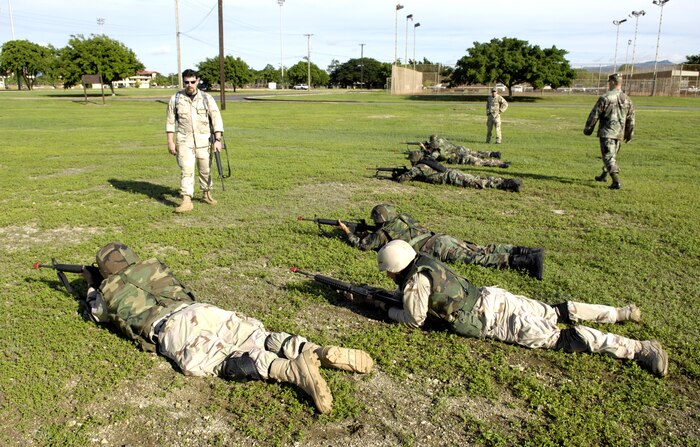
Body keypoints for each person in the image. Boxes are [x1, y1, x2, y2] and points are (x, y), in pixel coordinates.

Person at [80, 242, 373, 414]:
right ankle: (315, 350)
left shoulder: (107, 291)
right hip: (201, 310)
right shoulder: (152, 265)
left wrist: (92, 286)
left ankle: (291, 371)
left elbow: (96, 313)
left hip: (171, 327)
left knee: (217, 361)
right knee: (257, 336)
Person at [364, 240, 668, 377]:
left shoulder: (416, 282)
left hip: (494, 320)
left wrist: (383, 308)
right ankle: (619, 313)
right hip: (496, 297)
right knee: (556, 311)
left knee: (560, 338)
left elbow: (413, 320)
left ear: (395, 267)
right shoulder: (425, 262)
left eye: (388, 272)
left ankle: (639, 348)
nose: (389, 277)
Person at [337, 204, 544, 279]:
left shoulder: (381, 235)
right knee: (481, 248)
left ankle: (523, 262)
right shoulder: (404, 218)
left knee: (477, 259)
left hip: (436, 249)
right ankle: (527, 251)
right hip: (440, 238)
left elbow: (361, 245)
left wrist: (347, 231)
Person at [166, 69, 225, 212]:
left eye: (192, 82)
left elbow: (216, 119)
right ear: (183, 82)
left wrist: (217, 139)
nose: (190, 85)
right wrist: (170, 142)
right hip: (184, 141)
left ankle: (206, 194)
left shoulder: (207, 98)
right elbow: (170, 122)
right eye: (186, 82)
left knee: (205, 169)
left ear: (197, 81)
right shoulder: (176, 99)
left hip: (204, 141)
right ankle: (186, 200)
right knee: (186, 169)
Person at [584, 73, 635, 190]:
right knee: (611, 155)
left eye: (609, 82)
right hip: (619, 133)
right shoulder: (627, 99)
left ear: (612, 82)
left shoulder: (605, 98)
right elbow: (631, 118)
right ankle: (603, 176)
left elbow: (594, 115)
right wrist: (629, 133)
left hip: (607, 132)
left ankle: (616, 181)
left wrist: (588, 128)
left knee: (608, 157)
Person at [394, 151, 522, 192]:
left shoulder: (418, 167)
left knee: (478, 182)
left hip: (451, 177)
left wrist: (396, 176)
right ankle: (507, 181)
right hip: (452, 172)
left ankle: (508, 184)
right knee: (477, 178)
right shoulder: (426, 162)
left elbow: (403, 179)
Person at [419, 134, 508, 168]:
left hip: (460, 158)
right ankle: (494, 155)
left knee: (480, 162)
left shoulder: (436, 152)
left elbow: (430, 159)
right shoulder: (442, 142)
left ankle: (500, 164)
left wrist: (424, 149)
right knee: (477, 153)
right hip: (460, 150)